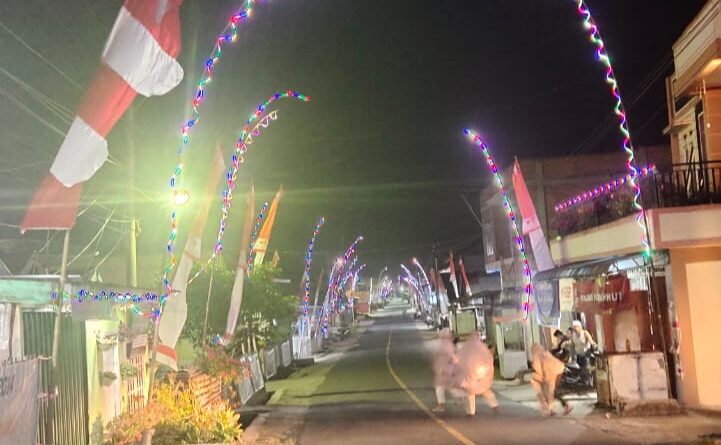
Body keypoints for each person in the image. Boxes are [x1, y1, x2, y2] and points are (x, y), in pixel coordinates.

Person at [455, 332, 498, 417]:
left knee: (472, 391)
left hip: (473, 372)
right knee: (482, 390)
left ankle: (471, 412)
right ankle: (493, 405)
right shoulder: (480, 347)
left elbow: (460, 357)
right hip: (476, 372)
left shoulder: (469, 347)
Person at [530, 344, 572, 416]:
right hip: (559, 370)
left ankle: (566, 406)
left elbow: (539, 369)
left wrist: (542, 379)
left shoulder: (537, 357)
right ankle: (553, 409)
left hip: (551, 374)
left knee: (551, 392)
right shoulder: (546, 353)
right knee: (551, 392)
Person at [432, 329, 458, 412]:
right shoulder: (447, 345)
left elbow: (453, 358)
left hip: (445, 370)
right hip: (446, 369)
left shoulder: (446, 346)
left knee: (440, 386)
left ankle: (441, 405)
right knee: (447, 386)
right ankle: (459, 398)